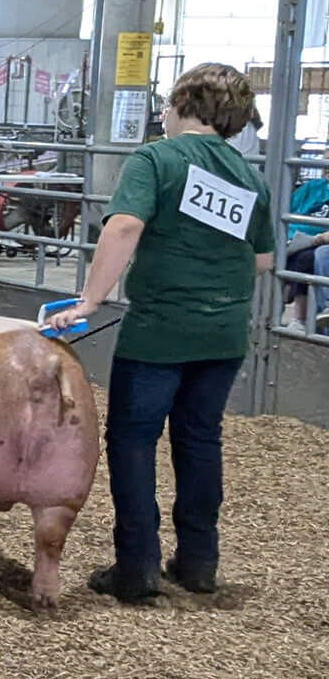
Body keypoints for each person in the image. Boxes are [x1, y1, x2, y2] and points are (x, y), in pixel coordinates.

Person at [46, 63, 275, 606]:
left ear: (182, 106)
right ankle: (198, 561)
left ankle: (138, 565)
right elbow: (262, 259)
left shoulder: (157, 158)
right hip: (223, 330)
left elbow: (124, 226)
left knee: (133, 440)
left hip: (160, 330)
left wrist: (90, 300)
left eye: (168, 107)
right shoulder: (249, 176)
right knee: (199, 438)